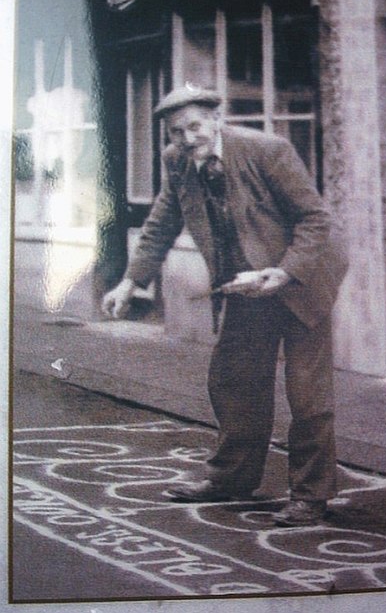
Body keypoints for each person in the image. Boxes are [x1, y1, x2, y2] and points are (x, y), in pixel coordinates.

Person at [102, 84, 348, 526]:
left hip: (300, 280)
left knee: (307, 394)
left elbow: (316, 220)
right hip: (244, 286)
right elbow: (161, 223)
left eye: (195, 126)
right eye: (176, 132)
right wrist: (129, 282)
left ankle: (311, 495)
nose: (187, 138)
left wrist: (283, 272)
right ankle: (232, 478)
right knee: (234, 381)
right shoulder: (177, 163)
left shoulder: (267, 149)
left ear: (217, 118)